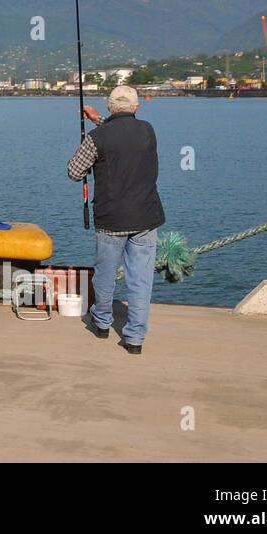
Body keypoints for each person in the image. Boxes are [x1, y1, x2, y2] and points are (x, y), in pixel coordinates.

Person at [67, 84, 166, 354]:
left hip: (111, 219)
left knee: (105, 275)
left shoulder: (97, 138)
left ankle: (101, 323)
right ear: (136, 108)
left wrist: (89, 139)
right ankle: (135, 339)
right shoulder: (148, 131)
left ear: (110, 106)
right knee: (141, 281)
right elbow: (123, 135)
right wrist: (97, 119)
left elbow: (75, 173)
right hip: (146, 218)